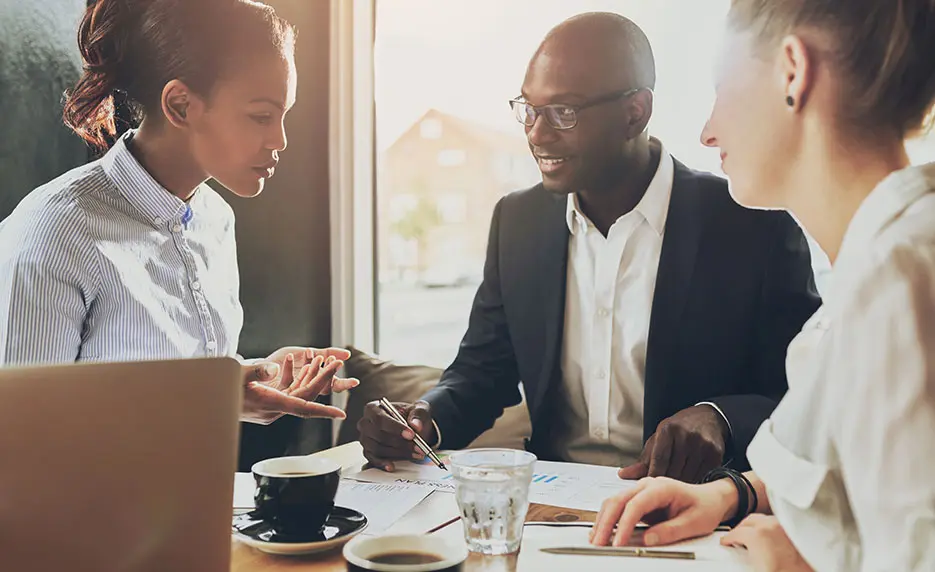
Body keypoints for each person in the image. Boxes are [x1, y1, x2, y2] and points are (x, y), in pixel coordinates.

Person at [358, 13, 820, 481]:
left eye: (564, 112)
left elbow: (806, 393)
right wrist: (423, 418)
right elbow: (481, 371)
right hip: (549, 499)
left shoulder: (753, 226)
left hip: (693, 504)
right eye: (529, 109)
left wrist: (719, 418)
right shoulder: (517, 222)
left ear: (635, 113)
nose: (537, 134)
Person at [591, 1, 935, 570]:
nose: (705, 132)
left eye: (723, 87)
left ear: (793, 71)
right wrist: (726, 494)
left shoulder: (898, 284)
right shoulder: (875, 270)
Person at [0, 0, 356, 425]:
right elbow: (20, 429)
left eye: (283, 116)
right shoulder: (56, 230)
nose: (279, 141)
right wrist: (208, 397)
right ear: (181, 106)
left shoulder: (215, 221)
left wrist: (247, 386)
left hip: (198, 491)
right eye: (261, 116)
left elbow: (176, 396)